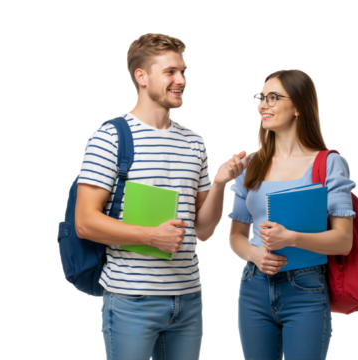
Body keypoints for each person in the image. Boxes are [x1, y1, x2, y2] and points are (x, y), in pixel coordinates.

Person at [75, 33, 249, 360]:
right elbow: (85, 222)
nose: (181, 80)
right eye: (170, 72)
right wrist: (151, 236)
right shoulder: (110, 136)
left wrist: (220, 183)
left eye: (184, 71)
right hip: (131, 300)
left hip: (187, 298)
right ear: (141, 76)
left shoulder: (195, 143)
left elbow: (203, 230)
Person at [227, 69, 356, 360]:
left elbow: (343, 241)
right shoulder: (250, 165)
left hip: (306, 290)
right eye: (261, 98)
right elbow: (235, 237)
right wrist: (256, 255)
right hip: (254, 286)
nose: (263, 105)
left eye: (273, 98)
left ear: (298, 106)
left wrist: (292, 238)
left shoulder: (329, 164)